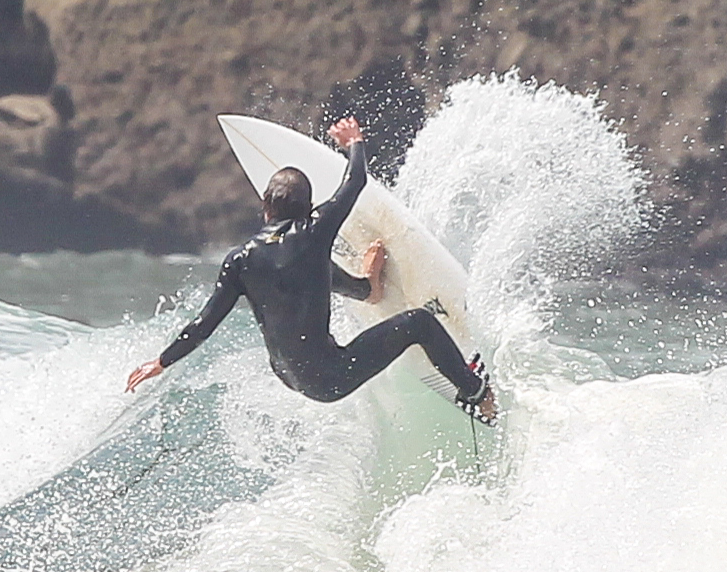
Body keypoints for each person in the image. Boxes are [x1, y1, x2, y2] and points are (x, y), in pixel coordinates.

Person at [125, 113, 496, 421]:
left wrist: (161, 361)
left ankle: (367, 288)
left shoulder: (240, 260)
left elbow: (202, 325)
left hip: (289, 376)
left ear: (265, 207)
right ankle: (476, 392)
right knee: (418, 322)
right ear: (309, 207)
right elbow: (355, 181)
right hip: (331, 377)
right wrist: (354, 143)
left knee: (305, 270)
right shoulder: (314, 231)